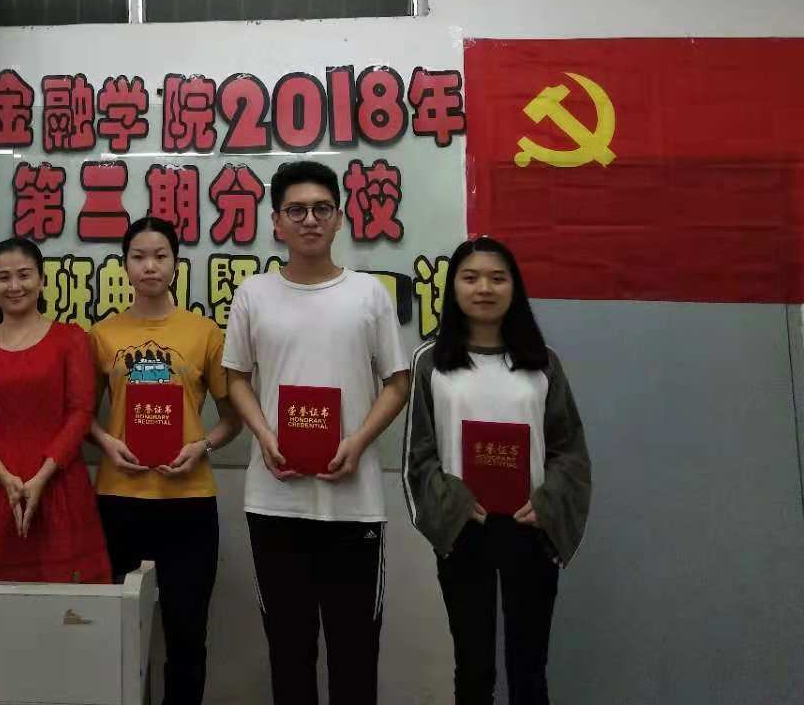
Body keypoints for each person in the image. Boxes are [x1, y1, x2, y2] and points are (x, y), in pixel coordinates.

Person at [223, 160, 410, 705]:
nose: (310, 220)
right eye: (297, 210)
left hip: (355, 505)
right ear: (276, 222)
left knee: (355, 655)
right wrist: (264, 434)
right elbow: (236, 378)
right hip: (274, 501)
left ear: (339, 218)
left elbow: (398, 382)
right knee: (290, 653)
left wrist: (359, 441)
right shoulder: (254, 294)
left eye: (321, 209)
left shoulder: (368, 294)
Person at [403, 236, 591, 705]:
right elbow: (419, 455)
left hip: (531, 528)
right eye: (470, 278)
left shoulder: (542, 362)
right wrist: (451, 505)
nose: (484, 288)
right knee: (473, 668)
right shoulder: (431, 361)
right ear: (453, 288)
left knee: (529, 669)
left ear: (514, 287)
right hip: (465, 528)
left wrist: (547, 504)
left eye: (497, 278)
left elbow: (569, 450)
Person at [91, 217, 243, 705]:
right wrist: (105, 442)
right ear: (124, 265)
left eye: (160, 256)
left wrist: (204, 446)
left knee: (186, 635)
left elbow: (233, 418)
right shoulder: (102, 334)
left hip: (188, 501)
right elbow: (81, 416)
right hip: (120, 498)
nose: (150, 266)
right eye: (138, 256)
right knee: (117, 635)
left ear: (176, 263)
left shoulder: (204, 333)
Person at [0, 237, 111, 584]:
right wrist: (5, 479)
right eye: (3, 277)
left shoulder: (71, 338)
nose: (14, 286)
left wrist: (42, 477)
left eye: (24, 275)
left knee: (68, 606)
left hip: (59, 486)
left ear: (42, 280)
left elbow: (80, 413)